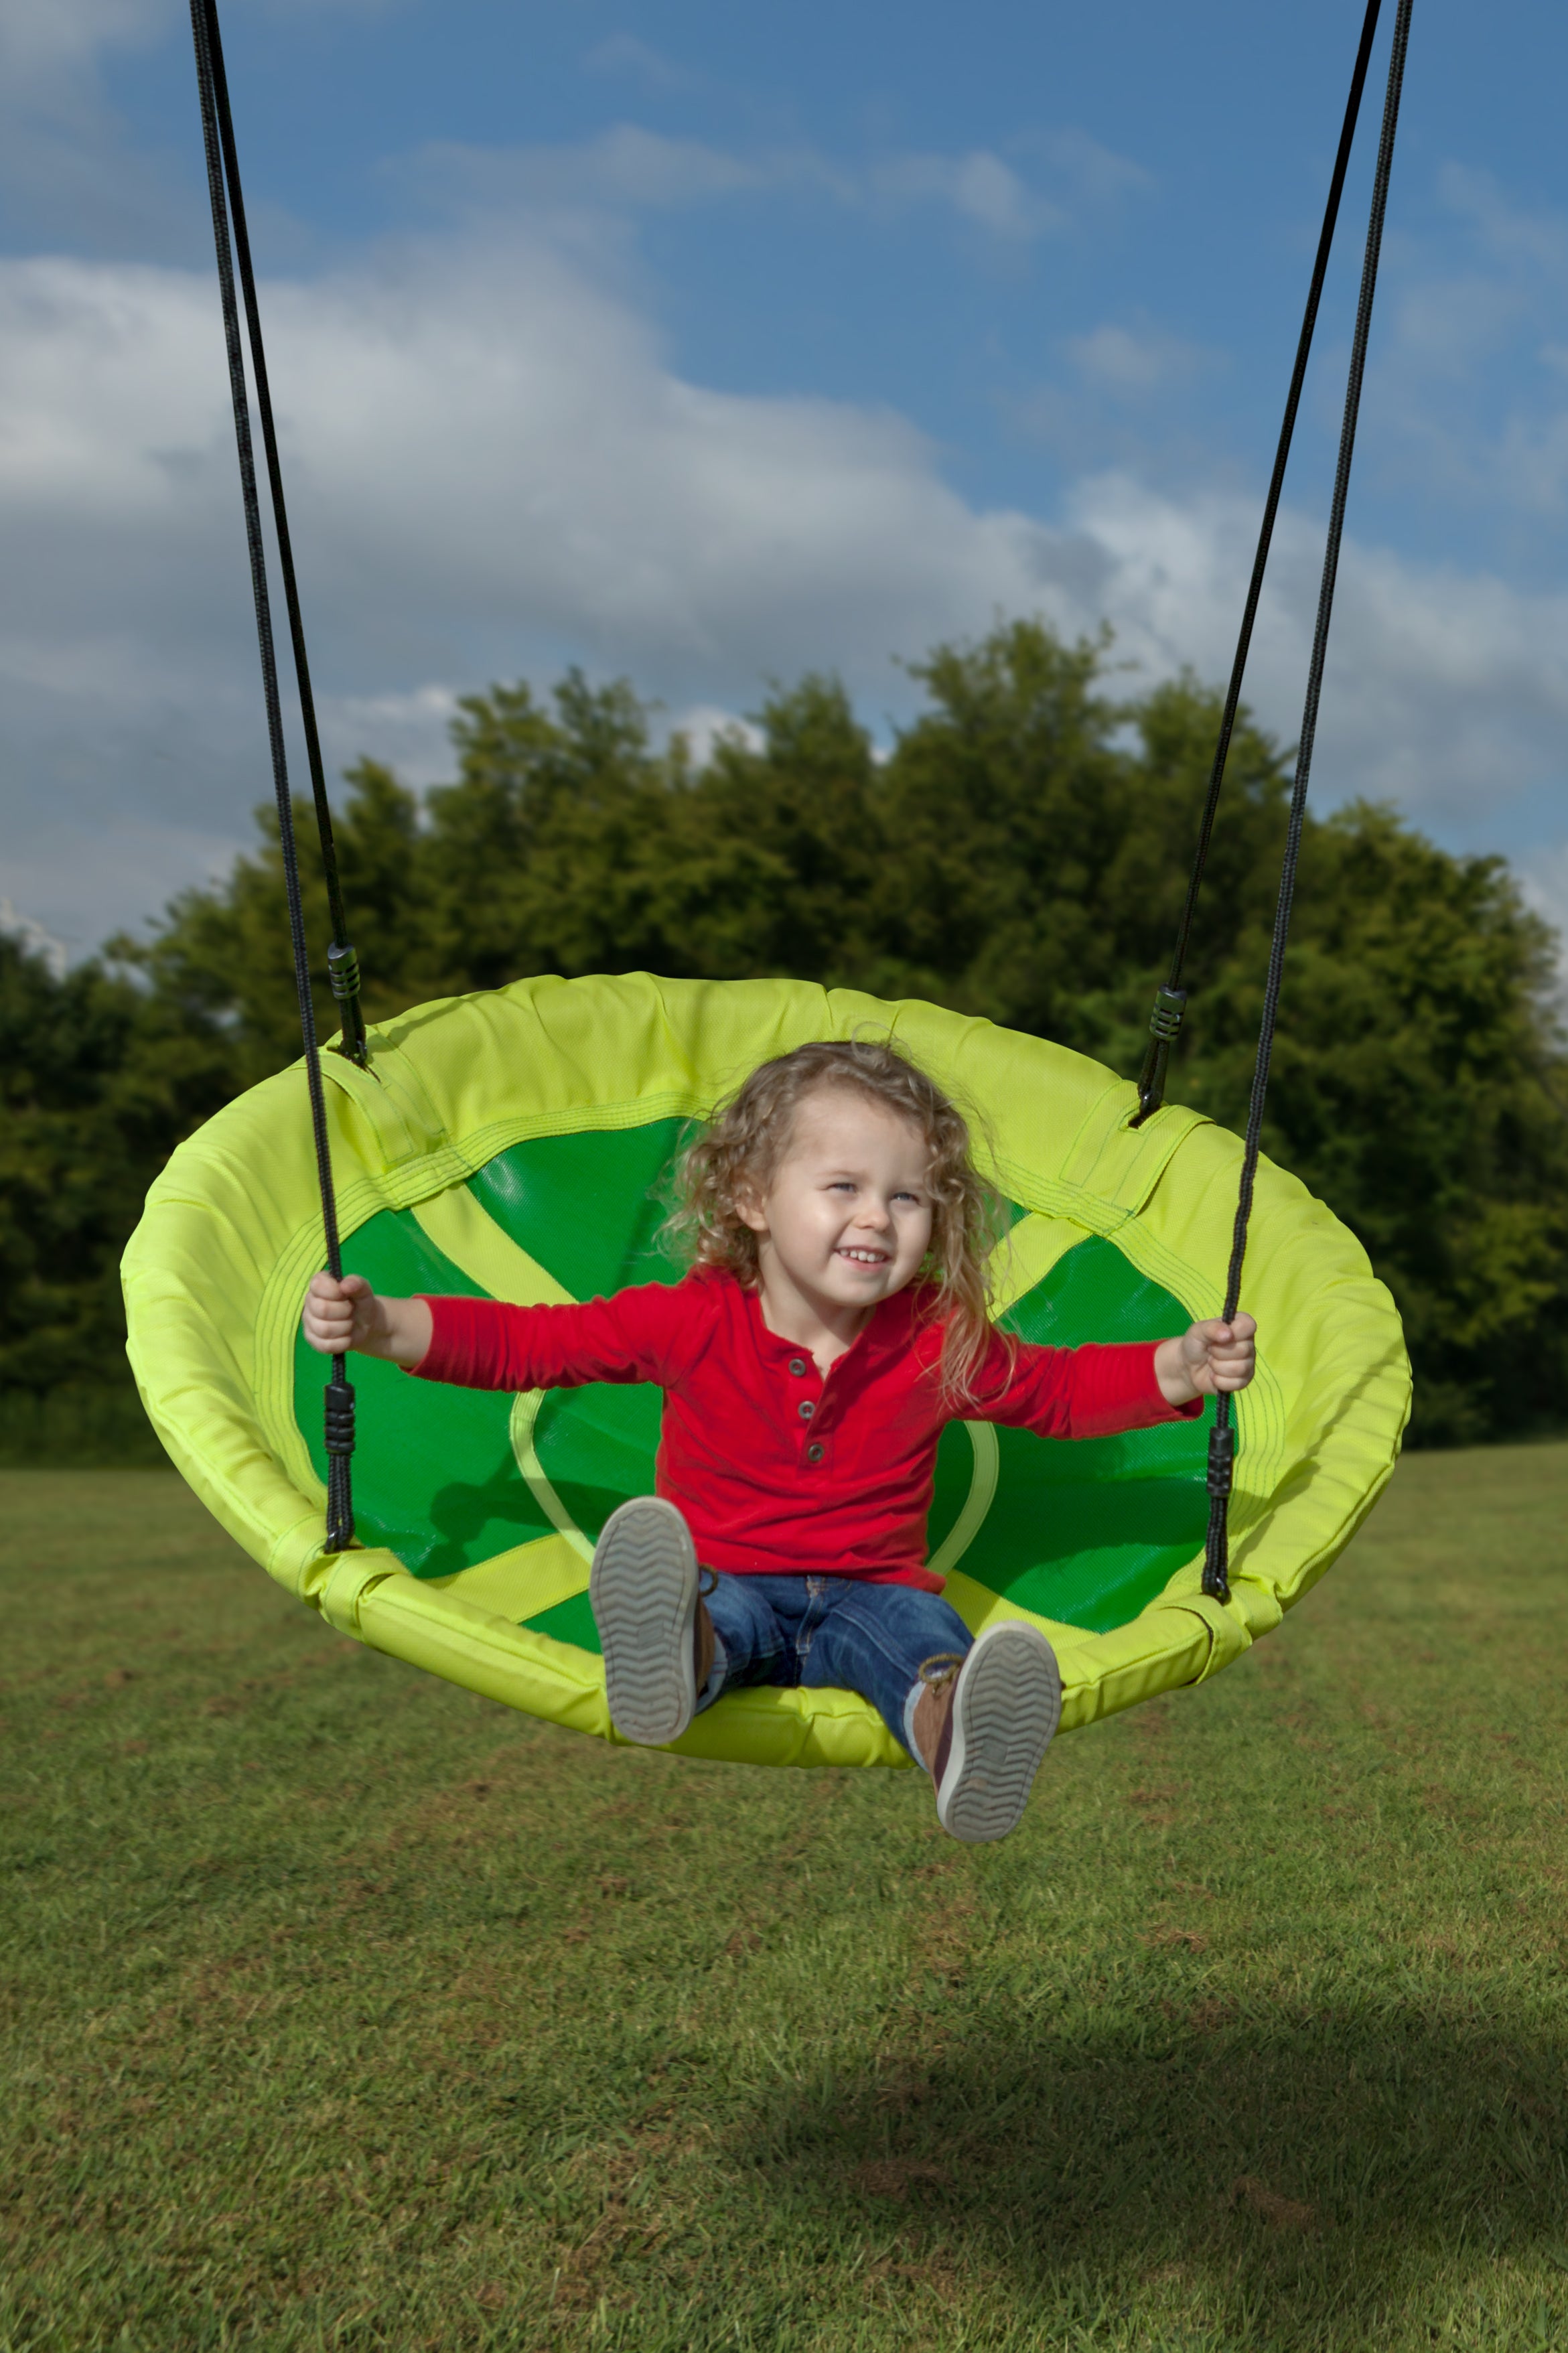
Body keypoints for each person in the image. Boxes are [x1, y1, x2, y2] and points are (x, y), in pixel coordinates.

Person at [302, 1038, 1255, 1843]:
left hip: (871, 1594)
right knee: (716, 1624)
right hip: (725, 1581)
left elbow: (1058, 1390)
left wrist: (1178, 1366)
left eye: (909, 1197)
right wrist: (384, 1325)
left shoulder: (933, 1341)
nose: (877, 1216)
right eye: (842, 1185)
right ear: (752, 1198)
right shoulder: (693, 1320)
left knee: (926, 1652)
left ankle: (959, 1738)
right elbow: (532, 1343)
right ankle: (675, 1657)